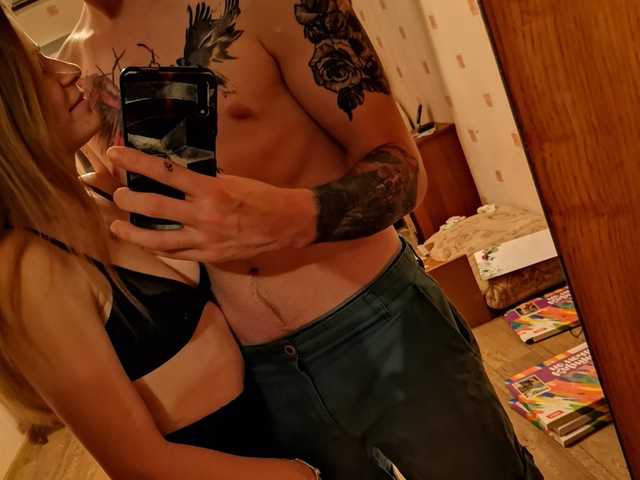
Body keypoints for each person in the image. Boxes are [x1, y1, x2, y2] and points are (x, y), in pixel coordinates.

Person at [61, 0, 543, 478]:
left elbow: (404, 169)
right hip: (259, 376)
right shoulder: (74, 72)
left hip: (382, 318)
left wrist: (289, 218)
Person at [0, 6, 319, 479]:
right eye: (38, 71)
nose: (67, 71)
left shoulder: (98, 192)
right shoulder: (28, 268)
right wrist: (300, 476)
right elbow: (141, 465)